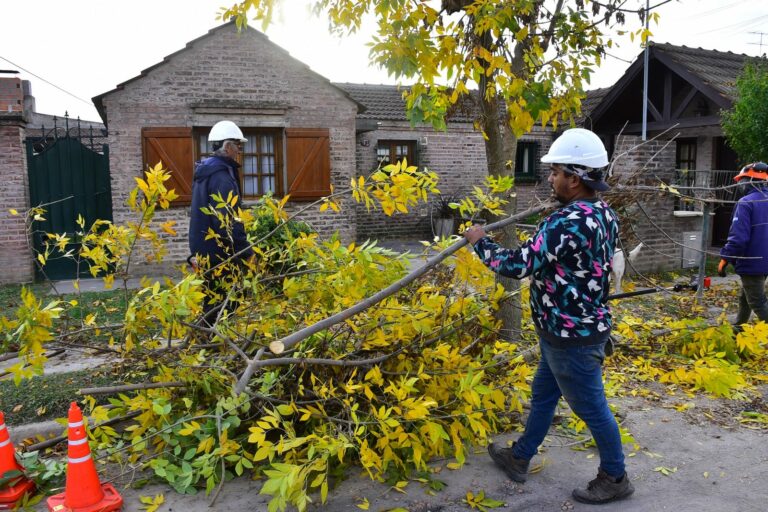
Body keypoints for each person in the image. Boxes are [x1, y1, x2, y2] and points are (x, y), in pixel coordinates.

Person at [463, 128, 633, 504]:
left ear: (575, 178)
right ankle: (520, 457)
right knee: (543, 396)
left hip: (572, 337)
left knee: (592, 408)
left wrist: (480, 241)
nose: (550, 179)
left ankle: (615, 476)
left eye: (555, 172)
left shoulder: (566, 222)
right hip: (567, 330)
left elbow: (517, 265)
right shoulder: (603, 212)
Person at [189, 120, 254, 325]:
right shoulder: (221, 177)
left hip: (204, 247)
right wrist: (246, 251)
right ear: (227, 147)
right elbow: (227, 220)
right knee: (228, 300)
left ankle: (205, 336)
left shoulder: (206, 173)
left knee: (213, 299)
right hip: (219, 251)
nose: (240, 150)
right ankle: (209, 338)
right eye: (238, 145)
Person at [718, 162, 768, 329]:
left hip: (752, 261)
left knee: (757, 302)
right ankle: (738, 329)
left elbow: (738, 239)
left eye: (742, 181)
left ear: (749, 181)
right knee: (746, 296)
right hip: (765, 260)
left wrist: (725, 258)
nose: (740, 185)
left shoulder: (746, 202)